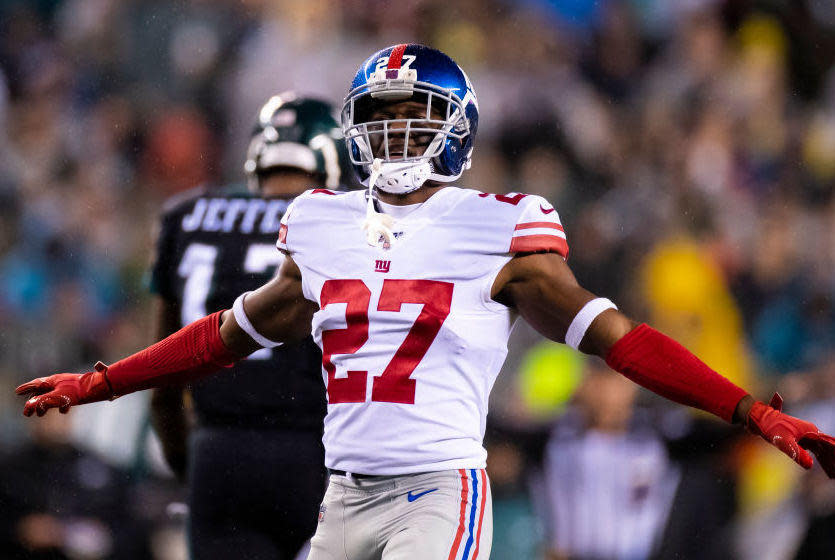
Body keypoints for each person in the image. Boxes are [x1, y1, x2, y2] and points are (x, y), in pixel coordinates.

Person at [16, 44, 835, 560]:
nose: (399, 136)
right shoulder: (321, 222)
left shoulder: (500, 226)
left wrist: (746, 412)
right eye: (384, 120)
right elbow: (220, 339)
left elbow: (619, 339)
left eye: (418, 119)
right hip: (339, 494)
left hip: (436, 490)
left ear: (458, 129)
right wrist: (102, 381)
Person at [148, 94, 346, 559]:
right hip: (319, 454)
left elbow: (164, 382)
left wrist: (189, 462)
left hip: (221, 452)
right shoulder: (348, 222)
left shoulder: (186, 217)